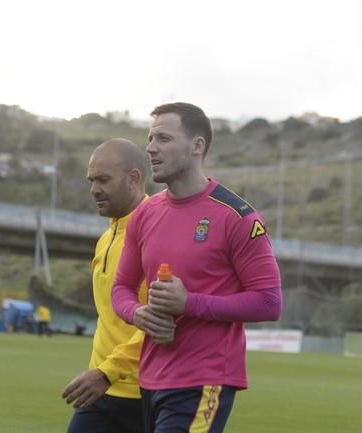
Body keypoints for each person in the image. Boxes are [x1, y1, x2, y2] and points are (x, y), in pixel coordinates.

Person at [112, 102, 282, 433]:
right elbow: (121, 288)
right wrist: (137, 314)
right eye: (150, 138)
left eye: (163, 138)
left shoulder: (237, 217)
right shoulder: (145, 215)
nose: (150, 148)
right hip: (150, 379)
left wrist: (188, 303)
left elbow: (269, 301)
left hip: (206, 380)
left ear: (196, 146)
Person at [62, 138, 149, 433]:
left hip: (146, 395)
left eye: (103, 180)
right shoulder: (105, 238)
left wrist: (109, 371)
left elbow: (165, 320)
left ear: (133, 178)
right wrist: (101, 373)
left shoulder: (159, 235)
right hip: (101, 390)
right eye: (91, 180)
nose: (94, 189)